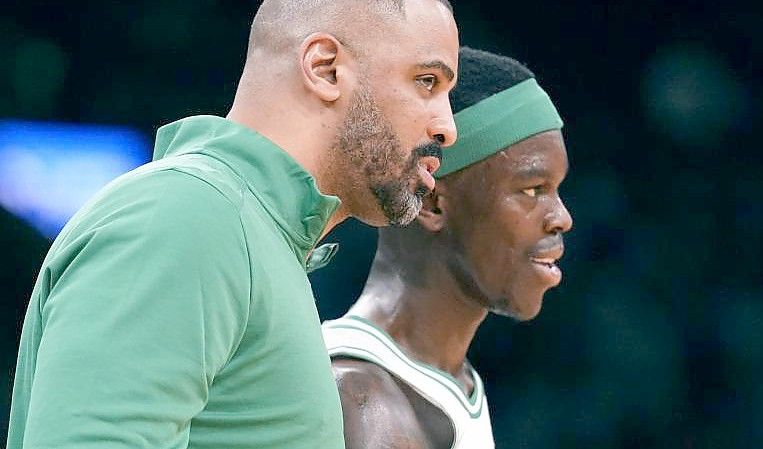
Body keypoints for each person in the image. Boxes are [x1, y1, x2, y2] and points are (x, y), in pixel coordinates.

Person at [7, 0, 458, 448]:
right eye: (427, 82)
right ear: (325, 69)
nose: (448, 127)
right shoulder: (190, 214)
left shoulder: (244, 231)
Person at [323, 46, 573, 448]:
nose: (562, 217)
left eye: (556, 190)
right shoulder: (368, 403)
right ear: (433, 202)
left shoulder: (442, 381)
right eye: (532, 189)